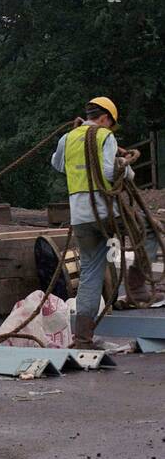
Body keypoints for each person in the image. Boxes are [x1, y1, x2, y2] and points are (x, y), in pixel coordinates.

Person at [51, 96, 146, 347]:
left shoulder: (67, 138)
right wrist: (125, 166)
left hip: (80, 217)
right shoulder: (105, 136)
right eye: (109, 123)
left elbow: (58, 164)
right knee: (147, 230)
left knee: (90, 274)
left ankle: (82, 338)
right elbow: (107, 171)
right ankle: (137, 289)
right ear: (105, 118)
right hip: (106, 213)